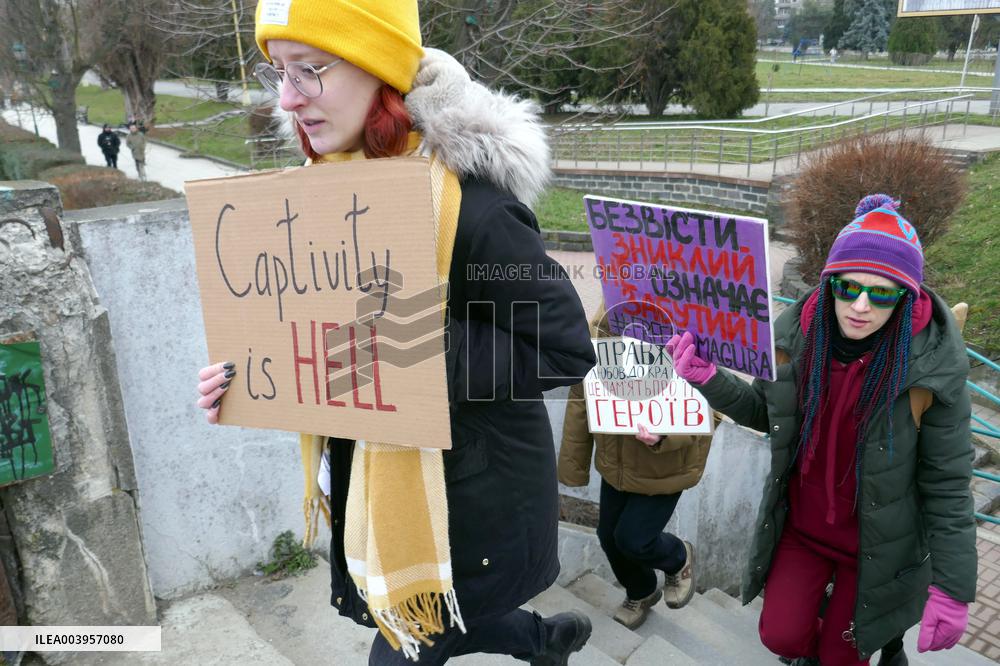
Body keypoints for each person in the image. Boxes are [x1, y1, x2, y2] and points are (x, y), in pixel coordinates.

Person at [195, 2, 597, 664]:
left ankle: (539, 638)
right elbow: (324, 345)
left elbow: (564, 350)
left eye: (309, 69)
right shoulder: (312, 199)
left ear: (378, 69)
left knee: (417, 632)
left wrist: (415, 346)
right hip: (372, 492)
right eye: (278, 72)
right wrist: (247, 377)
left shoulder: (476, 208)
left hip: (469, 506)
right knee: (451, 621)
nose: (287, 98)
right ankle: (544, 640)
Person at [663, 194, 976, 666]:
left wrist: (953, 589)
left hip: (877, 548)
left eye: (883, 293)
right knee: (781, 637)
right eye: (848, 287)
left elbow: (948, 486)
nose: (861, 306)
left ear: (905, 297)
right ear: (830, 283)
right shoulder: (797, 339)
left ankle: (881, 644)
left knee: (841, 657)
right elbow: (765, 414)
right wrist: (709, 379)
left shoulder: (929, 374)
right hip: (803, 530)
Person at [558, 303, 714, 630]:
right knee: (608, 536)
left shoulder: (693, 319)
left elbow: (712, 407)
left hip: (664, 466)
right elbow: (582, 391)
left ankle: (678, 557)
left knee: (633, 539)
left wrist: (665, 434)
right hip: (615, 462)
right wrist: (573, 465)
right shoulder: (609, 314)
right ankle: (641, 590)